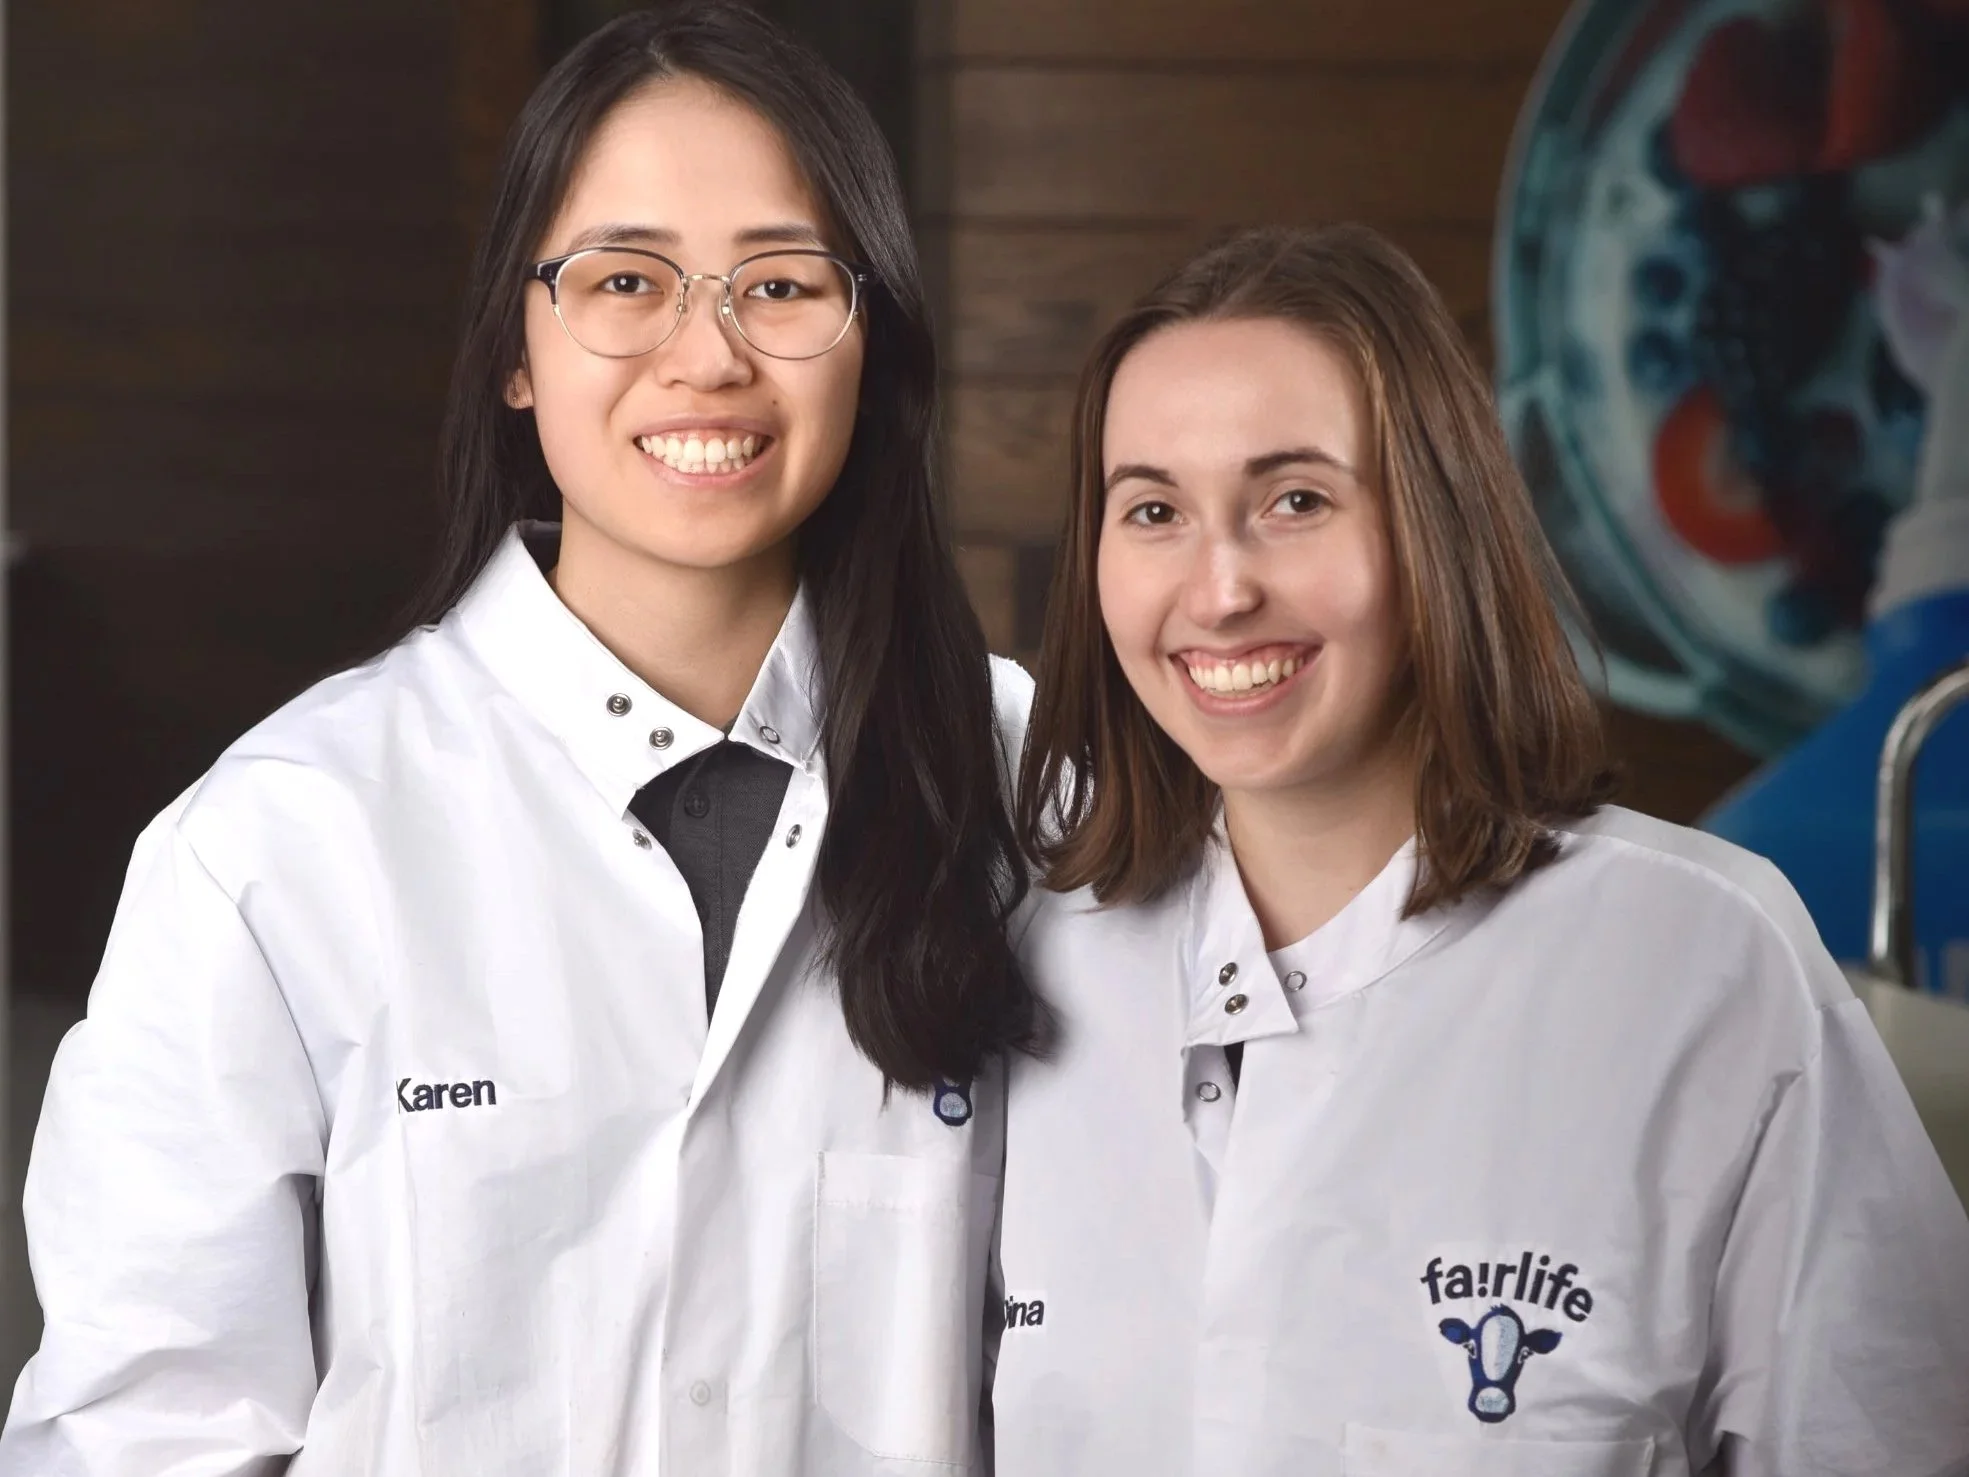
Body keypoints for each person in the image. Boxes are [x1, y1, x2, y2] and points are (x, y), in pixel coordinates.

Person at [1, 5, 1042, 1472]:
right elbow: (139, 1436)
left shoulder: (1033, 790)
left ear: (871, 344)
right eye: (626, 281)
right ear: (513, 347)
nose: (709, 354)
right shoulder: (280, 842)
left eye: (781, 283)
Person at [992, 224, 1969, 1477]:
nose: (1218, 585)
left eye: (1295, 499)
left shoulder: (1707, 959)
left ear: (1432, 528)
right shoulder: (1018, 958)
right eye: (1153, 510)